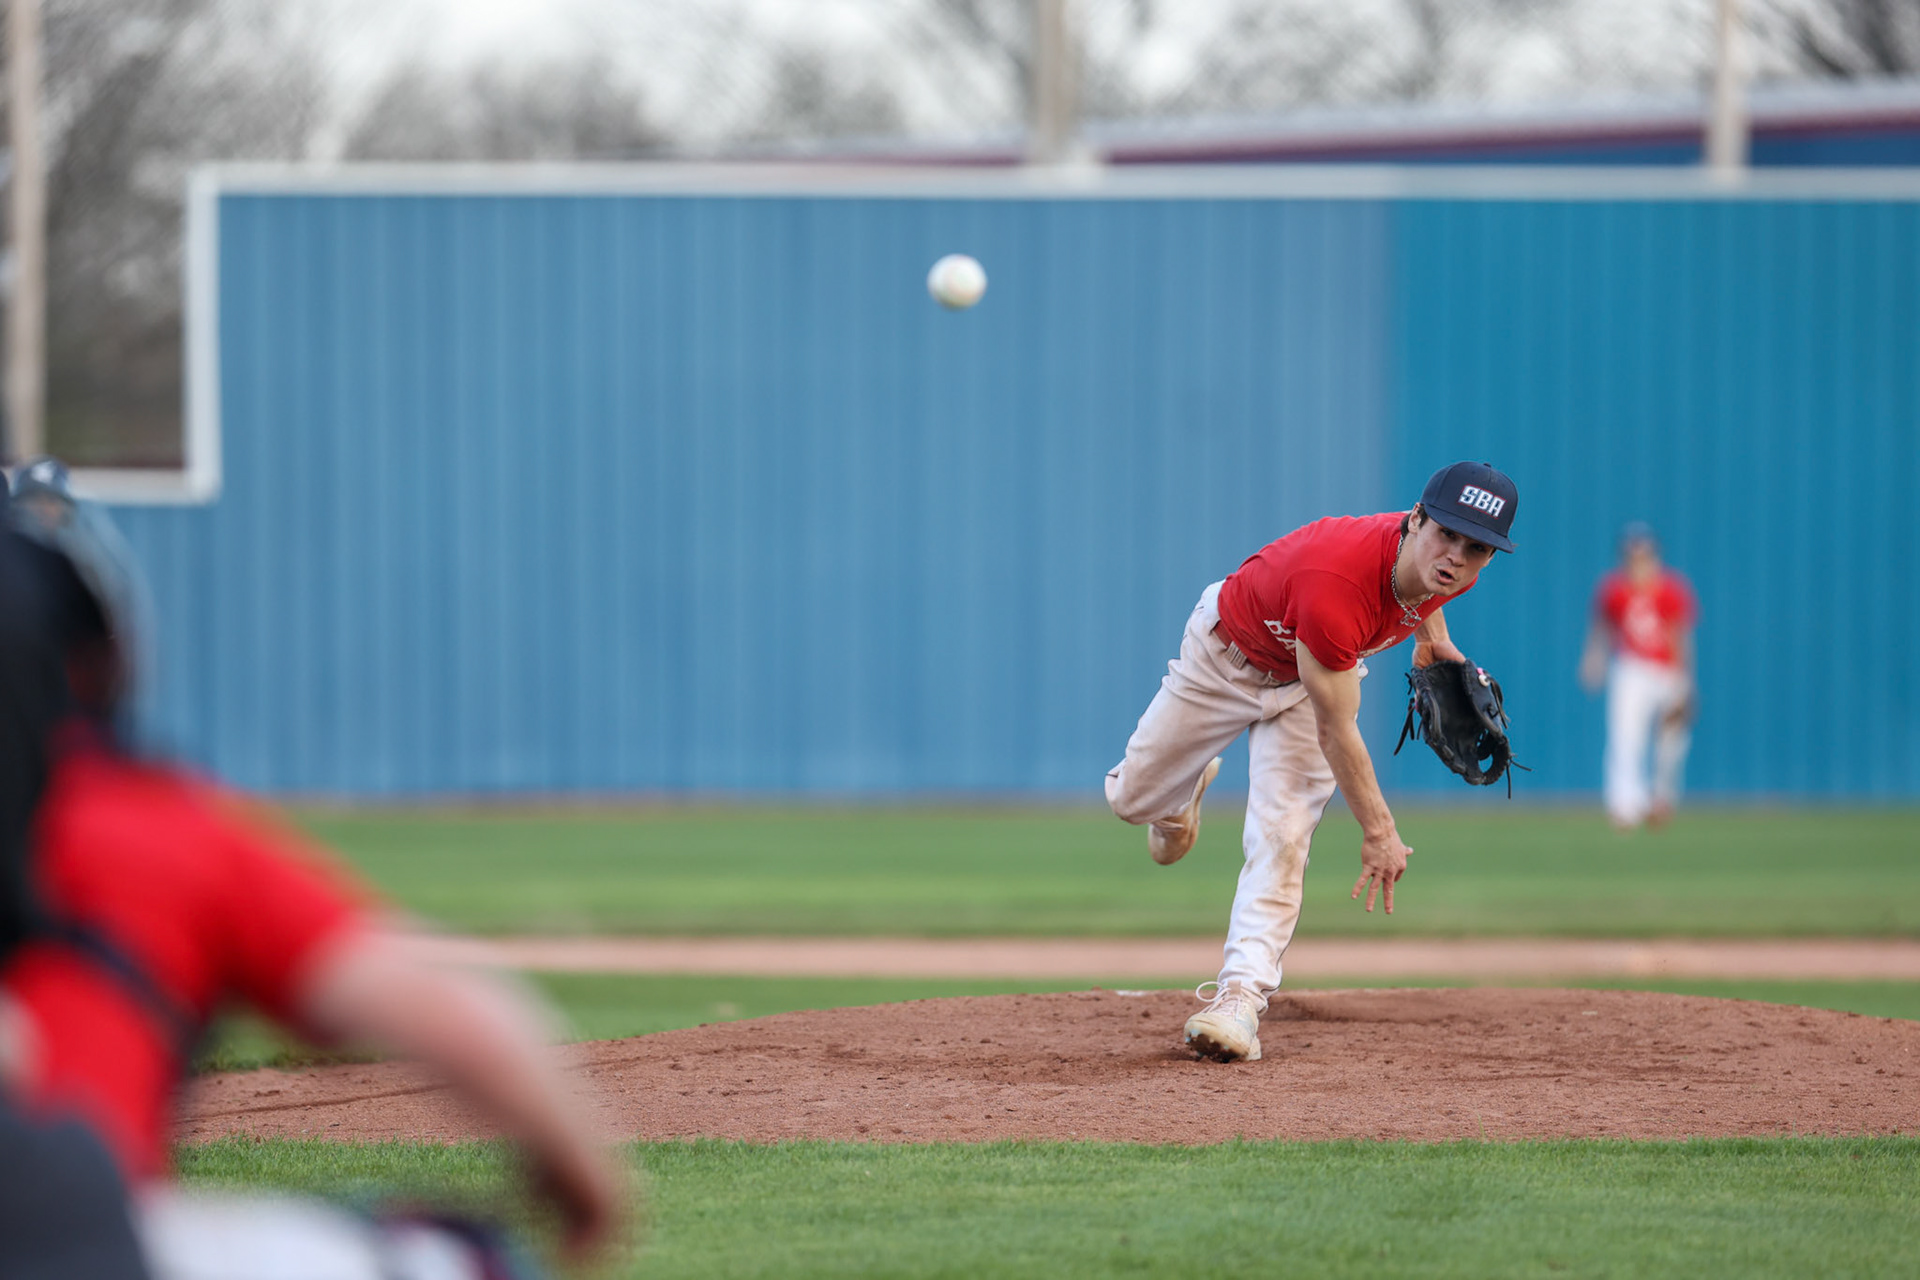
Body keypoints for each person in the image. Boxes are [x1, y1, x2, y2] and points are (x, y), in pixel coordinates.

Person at [0, 459, 630, 1275]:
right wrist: (588, 1188)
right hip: (70, 1239)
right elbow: (472, 1027)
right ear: (104, 650)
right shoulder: (152, 824)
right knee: (455, 1259)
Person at [1105, 461, 1518, 1064]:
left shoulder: (1451, 571)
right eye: (1446, 533)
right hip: (1226, 660)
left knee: (1283, 834)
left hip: (1309, 680)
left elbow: (1425, 588)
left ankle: (1240, 998)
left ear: (1489, 555)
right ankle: (1175, 805)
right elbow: (1337, 730)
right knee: (1129, 801)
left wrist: (1433, 641)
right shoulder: (1338, 584)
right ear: (1416, 519)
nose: (1455, 556)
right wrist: (1379, 830)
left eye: (1476, 546)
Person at [1579, 522, 1697, 831]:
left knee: (1671, 740)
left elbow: (1680, 635)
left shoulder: (1671, 588)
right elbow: (1601, 628)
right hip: (1630, 667)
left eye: (1643, 554)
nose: (1637, 560)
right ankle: (1625, 805)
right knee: (1625, 736)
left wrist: (1686, 683)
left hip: (1667, 670)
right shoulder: (1614, 588)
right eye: (1632, 554)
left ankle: (1661, 799)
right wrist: (1594, 660)